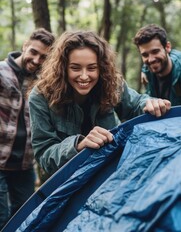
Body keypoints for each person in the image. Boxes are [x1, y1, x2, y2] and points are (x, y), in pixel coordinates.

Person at [28, 30, 171, 176]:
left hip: (111, 173)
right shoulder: (41, 96)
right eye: (75, 68)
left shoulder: (111, 83)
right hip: (66, 182)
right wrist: (78, 145)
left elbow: (136, 104)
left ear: (101, 68)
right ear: (62, 68)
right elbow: (44, 155)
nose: (84, 76)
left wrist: (150, 103)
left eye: (92, 68)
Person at [0, 28, 55, 229]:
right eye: (34, 52)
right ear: (25, 46)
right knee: (2, 216)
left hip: (24, 164)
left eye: (43, 57)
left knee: (25, 217)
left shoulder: (42, 83)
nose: (37, 59)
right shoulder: (1, 72)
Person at [134, 24, 181, 105]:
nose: (151, 59)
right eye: (145, 55)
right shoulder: (147, 73)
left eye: (155, 51)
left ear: (167, 47)